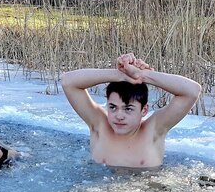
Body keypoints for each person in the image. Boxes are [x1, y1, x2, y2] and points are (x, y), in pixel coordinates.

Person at [60, 53, 201, 168]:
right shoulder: (99, 126)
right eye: (113, 107)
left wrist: (142, 75)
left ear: (144, 110)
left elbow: (192, 91)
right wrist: (120, 75)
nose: (119, 116)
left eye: (128, 109)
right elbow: (68, 81)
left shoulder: (153, 131)